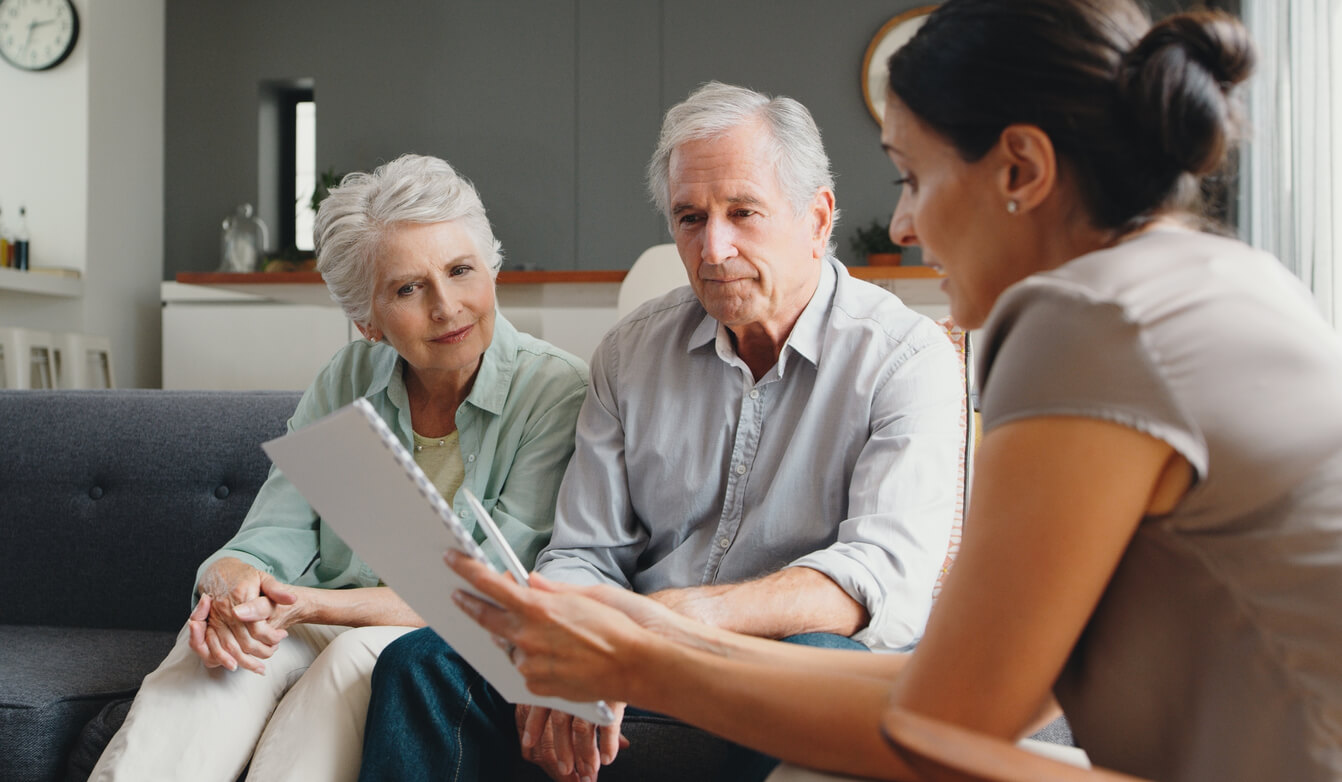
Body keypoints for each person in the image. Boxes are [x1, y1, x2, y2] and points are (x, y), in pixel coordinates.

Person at [436, 3, 1342, 782]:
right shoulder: (1207, 279)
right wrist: (642, 648)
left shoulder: (1087, 322)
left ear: (1020, 170)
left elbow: (943, 730)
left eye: (912, 177)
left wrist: (642, 655)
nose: (902, 223)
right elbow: (961, 697)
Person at [357, 82, 965, 782]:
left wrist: (664, 623)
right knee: (423, 662)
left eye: (743, 213)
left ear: (817, 218)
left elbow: (871, 581)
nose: (714, 247)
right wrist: (577, 639)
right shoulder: (631, 352)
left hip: (777, 663)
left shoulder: (905, 358)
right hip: (632, 661)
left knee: (827, 661)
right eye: (689, 217)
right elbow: (584, 551)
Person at [90, 154, 589, 782]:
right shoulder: (347, 377)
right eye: (408, 288)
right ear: (368, 321)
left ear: (490, 270)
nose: (446, 306)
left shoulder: (555, 389)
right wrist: (230, 588)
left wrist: (309, 605)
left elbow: (486, 594)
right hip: (315, 612)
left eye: (461, 271)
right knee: (214, 659)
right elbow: (272, 532)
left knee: (356, 656)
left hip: (433, 635)